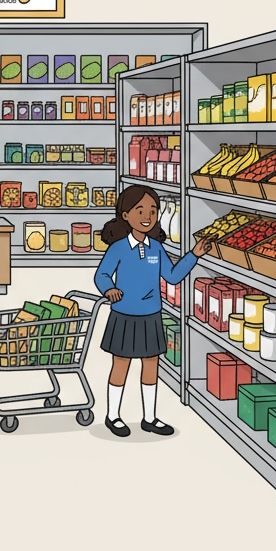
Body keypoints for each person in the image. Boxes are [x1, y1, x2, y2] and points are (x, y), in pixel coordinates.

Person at [93, 184, 212, 438]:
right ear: (125, 215)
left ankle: (149, 418)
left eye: (153, 210)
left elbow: (171, 276)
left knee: (151, 364)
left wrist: (193, 255)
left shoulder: (157, 248)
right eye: (140, 210)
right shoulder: (119, 248)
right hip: (124, 314)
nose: (147, 216)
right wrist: (109, 289)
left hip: (151, 315)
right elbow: (101, 274)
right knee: (121, 364)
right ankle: (113, 415)